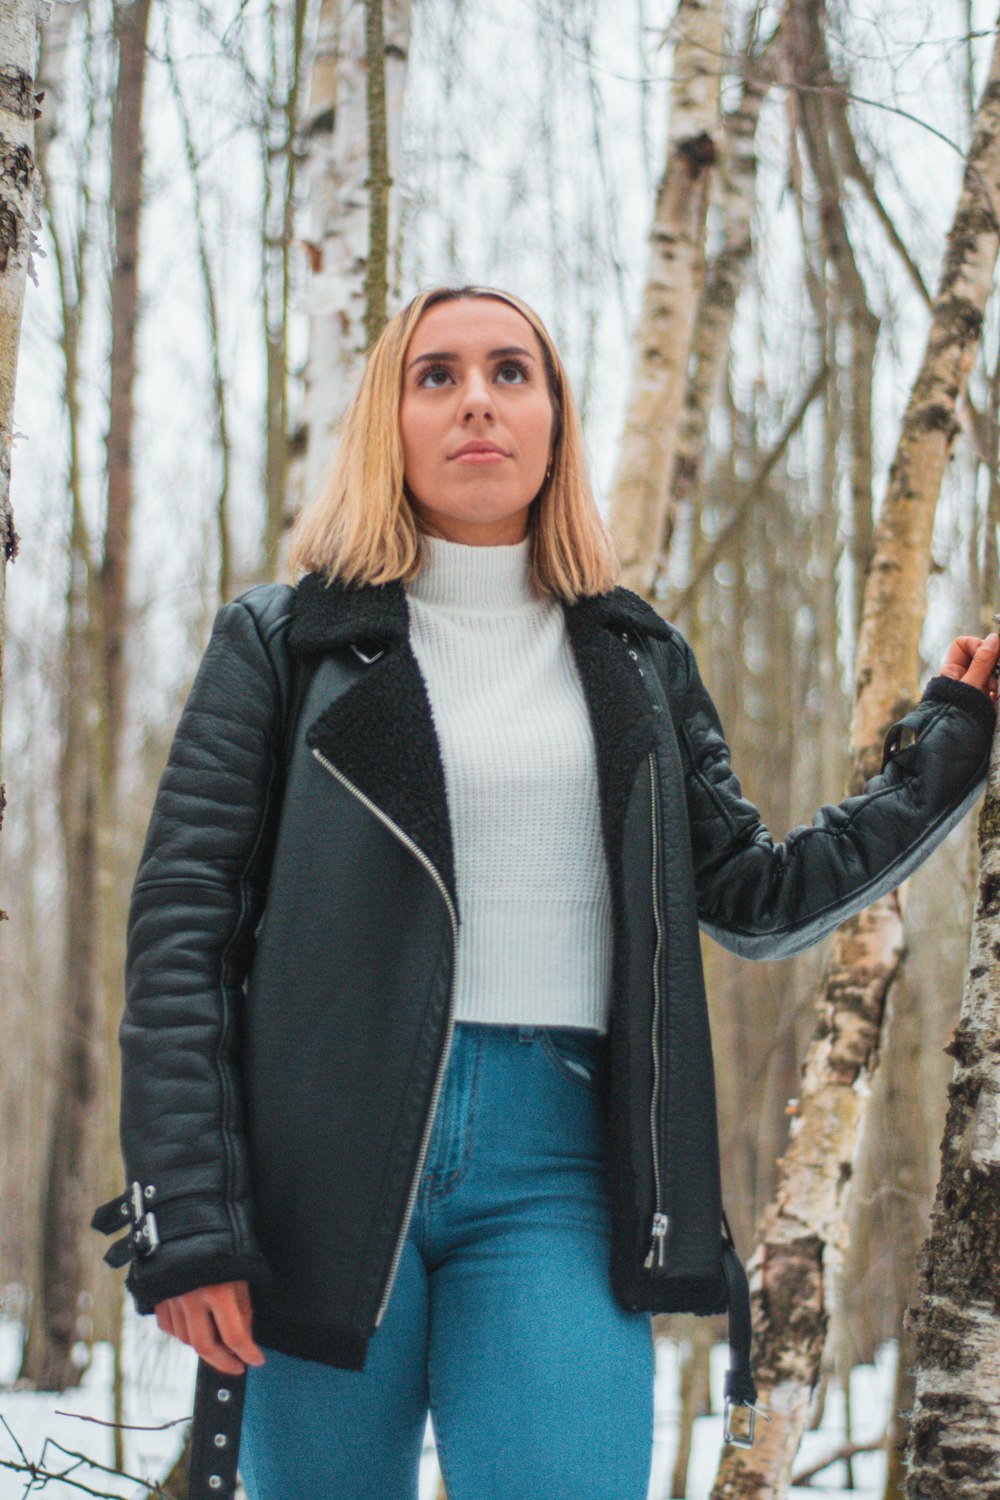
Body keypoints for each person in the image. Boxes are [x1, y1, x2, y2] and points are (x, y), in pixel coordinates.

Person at [92, 284, 998, 1500]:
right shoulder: (279, 641)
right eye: (437, 374)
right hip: (317, 1172)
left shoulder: (635, 657)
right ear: (389, 421)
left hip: (560, 1168)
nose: (477, 398)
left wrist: (945, 746)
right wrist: (191, 1215)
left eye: (511, 371)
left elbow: (757, 893)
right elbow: (181, 933)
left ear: (555, 420)